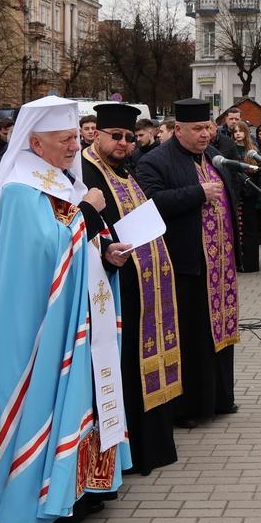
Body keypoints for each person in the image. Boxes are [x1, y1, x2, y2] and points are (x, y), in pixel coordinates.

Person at [0, 96, 130, 523]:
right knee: (41, 400)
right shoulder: (20, 189)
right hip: (37, 326)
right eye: (66, 139)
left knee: (80, 397)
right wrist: (89, 210)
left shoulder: (63, 182)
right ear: (36, 143)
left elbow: (78, 243)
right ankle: (26, 505)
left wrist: (108, 253)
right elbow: (46, 252)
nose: (76, 146)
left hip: (75, 316)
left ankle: (78, 490)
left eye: (76, 137)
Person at [81, 103, 181, 477]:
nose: (123, 143)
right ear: (97, 134)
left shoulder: (125, 170)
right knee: (123, 365)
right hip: (110, 285)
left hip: (143, 282)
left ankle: (151, 445)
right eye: (116, 136)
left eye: (128, 137)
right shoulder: (86, 172)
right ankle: (131, 449)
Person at [135, 98, 241, 427]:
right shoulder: (155, 161)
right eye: (197, 129)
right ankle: (190, 408)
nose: (205, 134)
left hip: (219, 266)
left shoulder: (213, 156)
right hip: (184, 265)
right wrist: (197, 193)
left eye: (207, 127)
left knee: (217, 332)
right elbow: (150, 202)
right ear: (178, 130)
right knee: (192, 336)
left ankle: (220, 398)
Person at [228, 121, 261, 273]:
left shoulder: (253, 150)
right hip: (236, 194)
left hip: (250, 194)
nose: (238, 134)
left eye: (240, 131)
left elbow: (260, 175)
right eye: (235, 131)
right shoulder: (231, 150)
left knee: (250, 228)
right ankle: (237, 262)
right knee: (237, 228)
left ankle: (250, 263)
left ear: (246, 132)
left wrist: (259, 197)